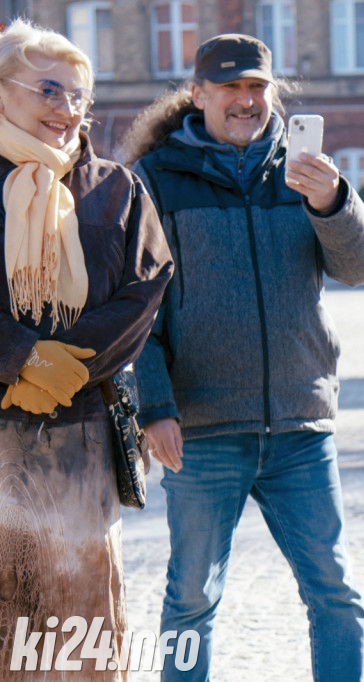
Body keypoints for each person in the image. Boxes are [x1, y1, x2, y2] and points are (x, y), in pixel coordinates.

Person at [118, 34, 364, 681]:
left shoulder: (305, 169)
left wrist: (332, 201)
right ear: (199, 94)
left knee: (337, 597)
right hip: (202, 430)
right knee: (190, 600)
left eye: (257, 87)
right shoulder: (156, 178)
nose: (246, 100)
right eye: (232, 87)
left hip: (300, 425)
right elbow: (137, 308)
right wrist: (153, 407)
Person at [0, 18, 173, 679]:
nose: (67, 110)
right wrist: (17, 357)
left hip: (79, 443)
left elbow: (144, 290)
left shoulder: (114, 188)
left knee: (83, 628)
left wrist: (60, 369)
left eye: (78, 95)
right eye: (49, 90)